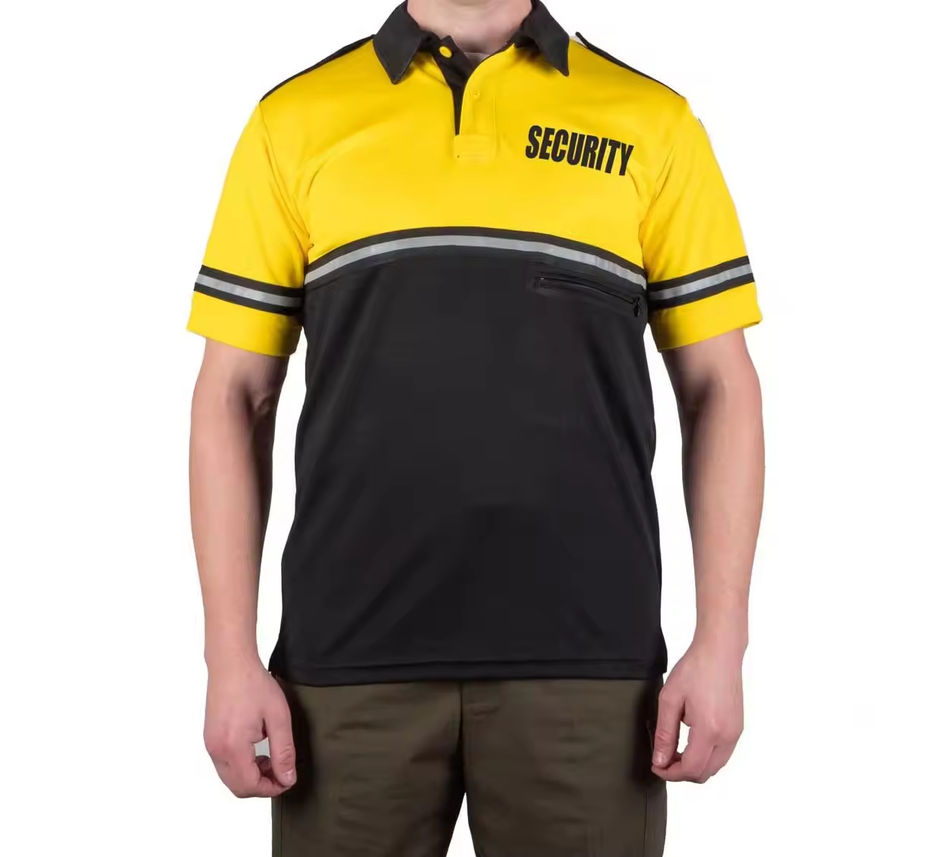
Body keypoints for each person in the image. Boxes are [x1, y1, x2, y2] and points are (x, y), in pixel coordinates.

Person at [187, 1, 764, 854]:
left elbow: (722, 388)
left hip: (589, 672)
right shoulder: (293, 121)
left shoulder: (654, 123)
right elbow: (232, 397)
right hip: (345, 668)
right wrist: (228, 657)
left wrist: (723, 644)